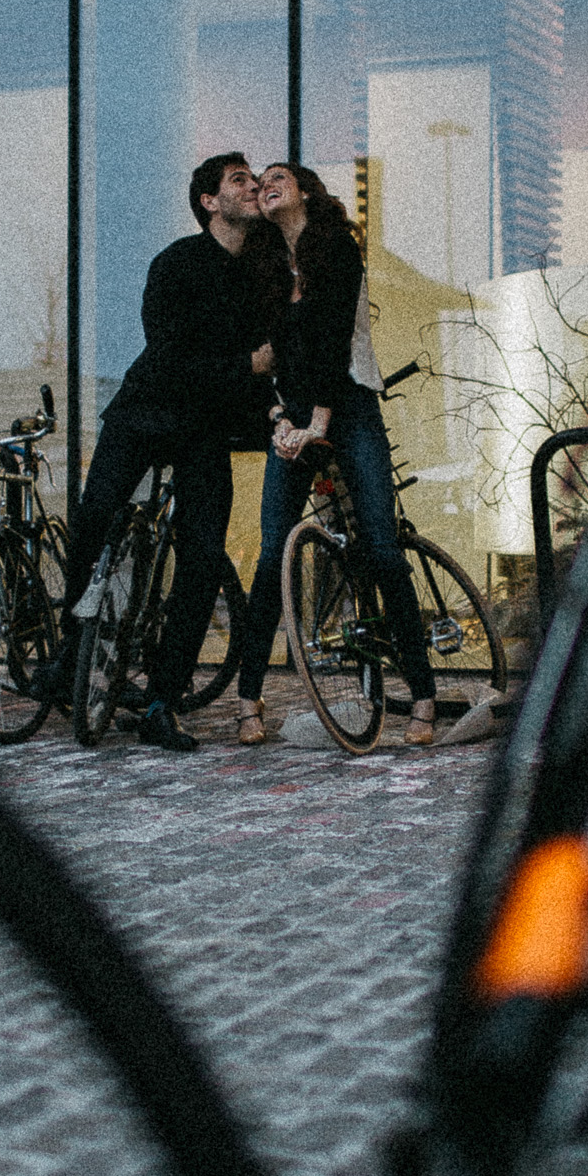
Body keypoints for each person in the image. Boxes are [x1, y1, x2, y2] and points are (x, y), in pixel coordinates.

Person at [42, 152, 273, 750]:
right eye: (238, 182)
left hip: (205, 429)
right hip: (144, 412)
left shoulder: (261, 272)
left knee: (201, 560)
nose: (251, 190)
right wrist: (243, 365)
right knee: (95, 517)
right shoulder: (175, 263)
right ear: (208, 201)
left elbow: (275, 360)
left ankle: (162, 702)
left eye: (254, 182)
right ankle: (70, 653)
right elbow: (167, 351)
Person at [234, 163, 438, 748]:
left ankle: (421, 694)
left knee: (380, 542)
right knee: (274, 550)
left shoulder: (337, 251)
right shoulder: (264, 265)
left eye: (278, 176)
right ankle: (249, 699)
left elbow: (332, 343)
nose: (266, 183)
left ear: (304, 191)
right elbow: (262, 357)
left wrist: (317, 421)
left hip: (347, 405)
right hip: (292, 414)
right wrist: (277, 420)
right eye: (259, 180)